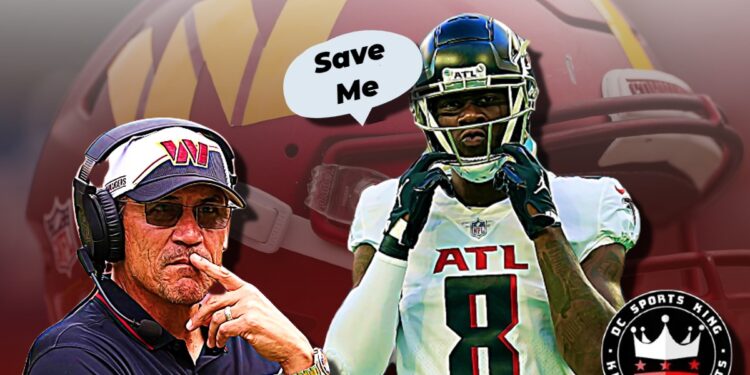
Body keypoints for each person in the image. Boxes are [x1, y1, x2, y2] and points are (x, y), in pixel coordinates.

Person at [324, 14, 640, 374]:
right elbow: (350, 368)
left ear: (523, 99)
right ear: (426, 112)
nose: (470, 117)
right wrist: (397, 240)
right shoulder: (383, 205)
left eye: (488, 98)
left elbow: (603, 365)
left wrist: (546, 229)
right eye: (451, 104)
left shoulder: (589, 202)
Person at [24, 118, 330, 374]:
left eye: (210, 212)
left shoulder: (252, 341)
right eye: (162, 210)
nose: (190, 234)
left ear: (226, 234)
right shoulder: (71, 357)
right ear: (109, 228)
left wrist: (302, 362)